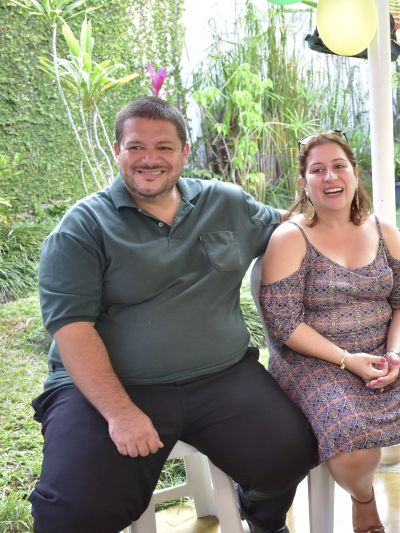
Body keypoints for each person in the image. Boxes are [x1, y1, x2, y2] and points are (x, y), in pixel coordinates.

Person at [31, 97, 316, 533]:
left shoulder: (224, 202)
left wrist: (357, 223)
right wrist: (120, 413)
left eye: (163, 147)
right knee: (70, 513)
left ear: (184, 152)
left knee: (291, 451)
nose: (150, 159)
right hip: (113, 387)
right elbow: (71, 329)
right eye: (136, 147)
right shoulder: (82, 227)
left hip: (222, 377)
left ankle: (263, 519)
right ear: (118, 151)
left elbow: (292, 227)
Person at [258, 130, 400, 533]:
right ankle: (363, 500)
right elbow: (283, 323)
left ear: (355, 173)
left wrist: (396, 354)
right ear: (304, 182)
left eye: (339, 166)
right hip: (315, 359)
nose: (330, 177)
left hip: (385, 347)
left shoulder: (384, 230)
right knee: (353, 442)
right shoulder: (291, 237)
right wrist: (347, 360)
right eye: (317, 170)